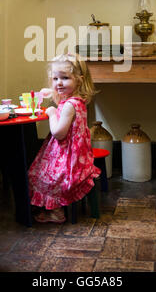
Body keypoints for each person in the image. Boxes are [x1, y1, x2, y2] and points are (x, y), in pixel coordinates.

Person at [28, 53, 101, 223]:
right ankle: (50, 206)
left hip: (69, 161)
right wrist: (51, 92)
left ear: (79, 80)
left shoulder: (68, 106)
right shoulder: (76, 101)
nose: (58, 83)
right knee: (39, 168)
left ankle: (56, 211)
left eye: (65, 78)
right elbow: (62, 99)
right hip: (79, 156)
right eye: (55, 79)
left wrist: (52, 113)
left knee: (38, 174)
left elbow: (58, 133)